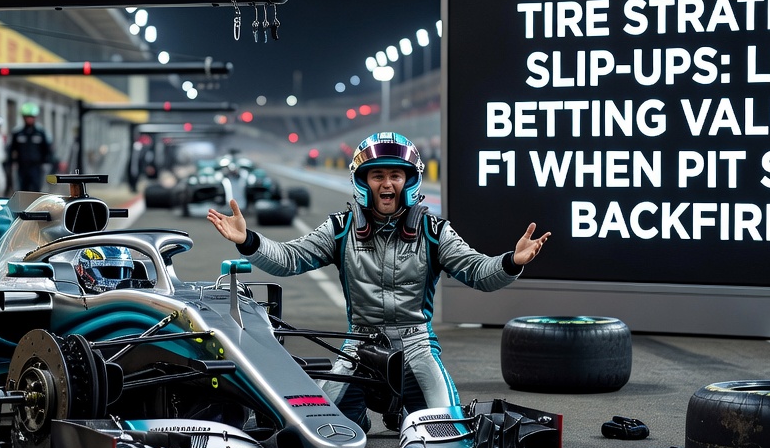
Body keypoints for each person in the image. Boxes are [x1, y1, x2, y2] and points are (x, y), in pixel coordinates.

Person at [206, 131, 550, 430]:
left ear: (409, 181)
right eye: (378, 176)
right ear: (363, 181)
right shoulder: (340, 229)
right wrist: (247, 240)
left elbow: (478, 272)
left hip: (418, 348)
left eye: (396, 176)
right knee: (311, 433)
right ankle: (357, 415)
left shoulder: (434, 231)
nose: (387, 184)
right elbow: (289, 260)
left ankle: (403, 410)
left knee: (449, 431)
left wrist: (511, 261)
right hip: (358, 347)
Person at [8, 103, 53, 192]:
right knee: (23, 190)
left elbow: (47, 149)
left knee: (36, 189)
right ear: (23, 117)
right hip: (22, 167)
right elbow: (11, 149)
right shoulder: (17, 133)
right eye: (27, 117)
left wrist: (47, 162)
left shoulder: (41, 133)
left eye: (31, 117)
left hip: (36, 167)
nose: (29, 119)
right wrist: (10, 163)